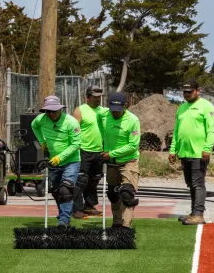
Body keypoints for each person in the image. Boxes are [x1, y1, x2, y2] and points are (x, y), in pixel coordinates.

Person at [168, 78, 214, 225]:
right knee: (190, 184)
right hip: (184, 153)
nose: (187, 94)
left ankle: (198, 214)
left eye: (190, 91)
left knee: (198, 183)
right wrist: (173, 150)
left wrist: (207, 148)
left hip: (199, 153)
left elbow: (212, 130)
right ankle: (193, 212)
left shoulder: (206, 106)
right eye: (185, 92)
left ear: (198, 91)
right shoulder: (181, 108)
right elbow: (177, 131)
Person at [31, 95, 81, 228]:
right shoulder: (41, 119)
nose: (51, 114)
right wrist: (43, 142)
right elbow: (34, 126)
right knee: (57, 192)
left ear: (60, 109)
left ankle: (63, 221)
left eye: (54, 111)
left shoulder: (71, 122)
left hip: (71, 161)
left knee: (65, 190)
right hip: (53, 161)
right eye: (48, 111)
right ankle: (65, 218)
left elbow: (76, 144)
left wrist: (60, 157)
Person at [98, 92, 141, 228]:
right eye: (112, 111)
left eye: (118, 111)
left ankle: (126, 225)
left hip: (128, 162)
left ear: (125, 107)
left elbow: (133, 146)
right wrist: (103, 140)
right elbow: (99, 119)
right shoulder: (104, 115)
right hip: (111, 163)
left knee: (126, 193)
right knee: (113, 194)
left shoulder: (133, 120)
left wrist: (112, 153)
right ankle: (117, 222)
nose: (115, 113)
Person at [72, 85, 109, 219]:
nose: (98, 100)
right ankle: (76, 209)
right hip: (83, 150)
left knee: (94, 180)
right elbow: (73, 131)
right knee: (81, 180)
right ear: (87, 97)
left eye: (100, 97)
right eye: (95, 97)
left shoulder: (104, 111)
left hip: (99, 152)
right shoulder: (80, 110)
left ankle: (89, 205)